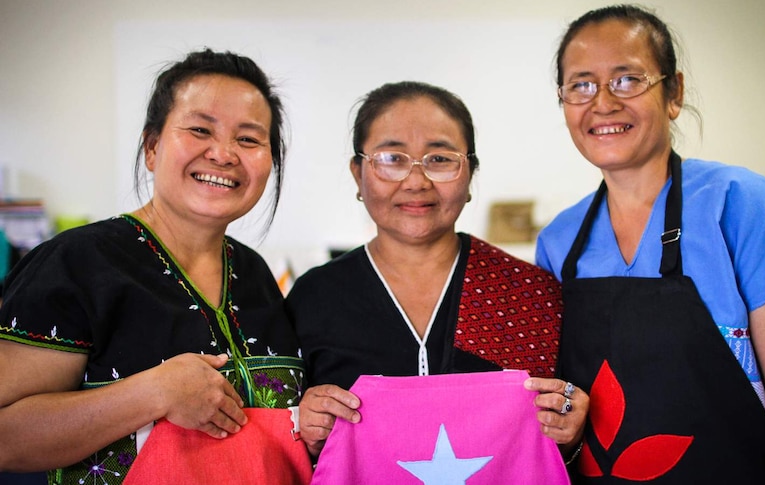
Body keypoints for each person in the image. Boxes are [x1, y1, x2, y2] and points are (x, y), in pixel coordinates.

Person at [536, 5, 765, 484]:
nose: (603, 102)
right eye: (581, 84)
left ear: (673, 92)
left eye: (628, 79)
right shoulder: (558, 241)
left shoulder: (742, 204)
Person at [0, 49, 308, 484]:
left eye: (249, 139)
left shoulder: (256, 274)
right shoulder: (76, 262)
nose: (223, 154)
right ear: (152, 147)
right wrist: (152, 394)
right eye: (200, 129)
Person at [286, 81, 588, 468]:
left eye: (440, 160)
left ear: (470, 174)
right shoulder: (314, 296)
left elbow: (554, 448)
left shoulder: (529, 292)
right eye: (391, 158)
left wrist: (572, 433)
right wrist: (304, 429)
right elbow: (292, 447)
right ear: (358, 173)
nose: (416, 182)